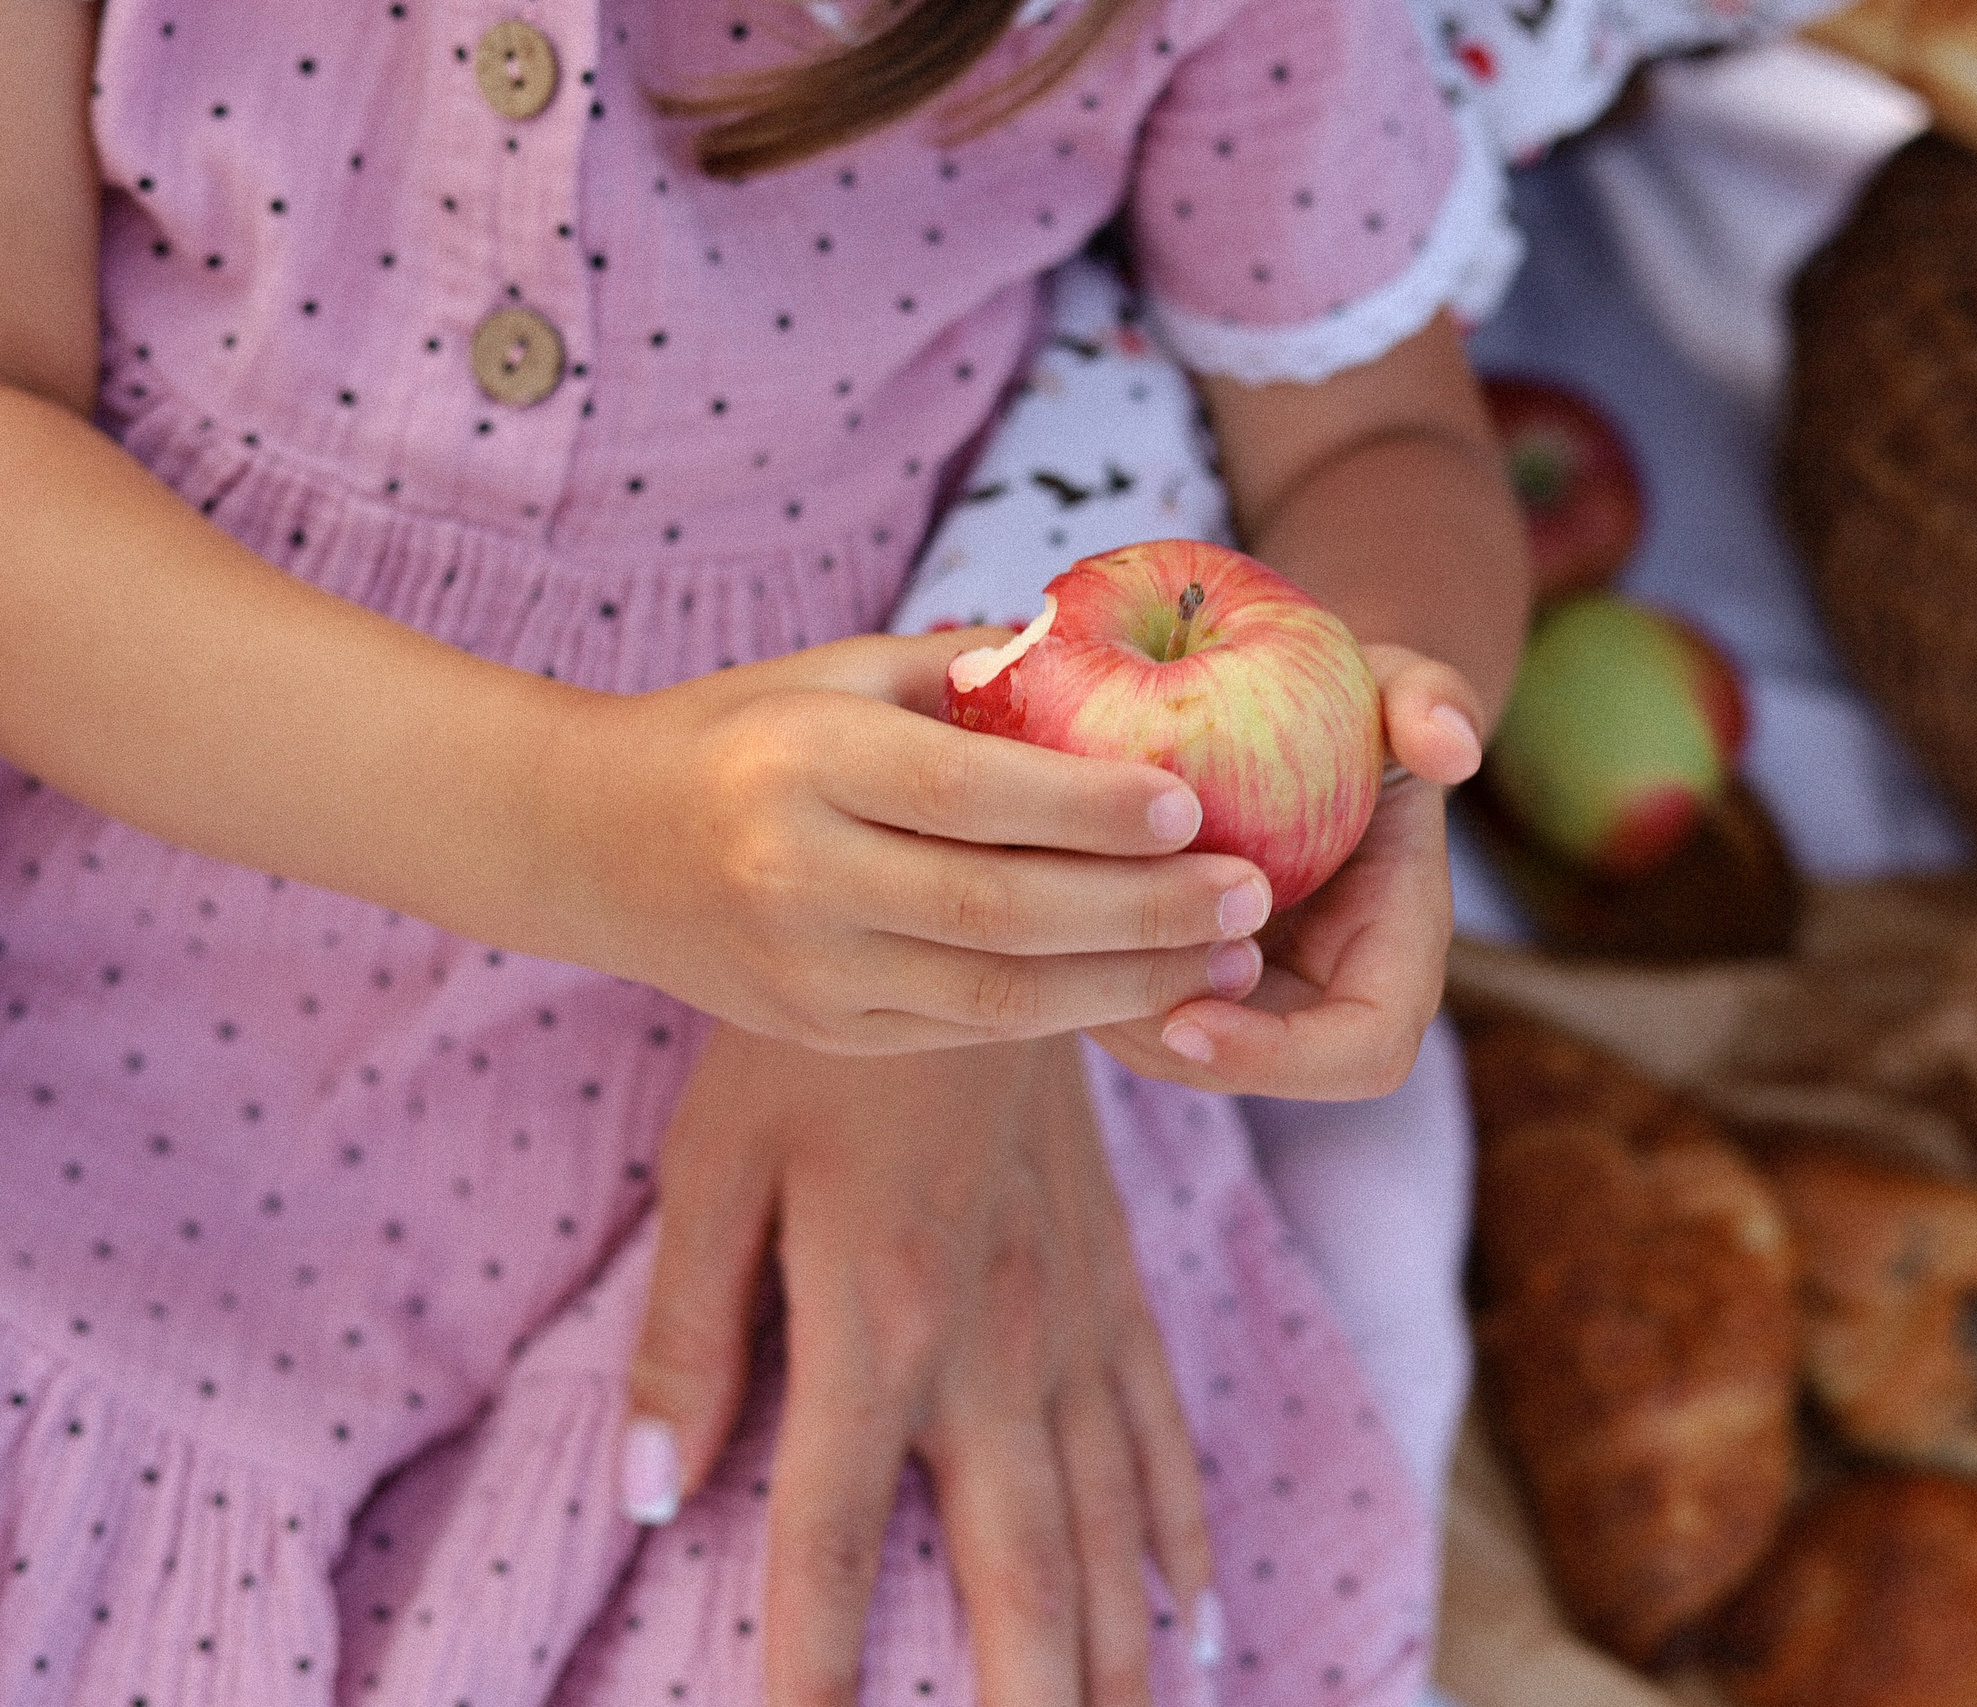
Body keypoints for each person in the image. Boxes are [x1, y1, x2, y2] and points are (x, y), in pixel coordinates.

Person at [0, 3, 1531, 1706]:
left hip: (852, 1055)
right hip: (129, 903)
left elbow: (1375, 446)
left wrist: (1349, 731)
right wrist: (577, 825)